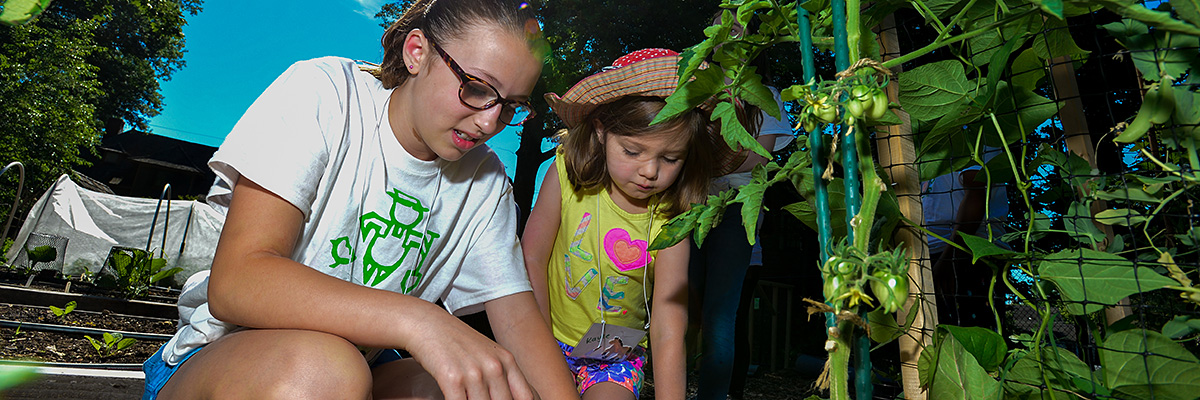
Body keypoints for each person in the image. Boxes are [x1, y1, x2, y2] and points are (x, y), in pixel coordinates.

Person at [141, 0, 580, 399]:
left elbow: (519, 322)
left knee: (479, 386)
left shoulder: (486, 181)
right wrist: (420, 320)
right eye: (477, 88)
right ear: (417, 52)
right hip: (225, 361)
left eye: (509, 106)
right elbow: (237, 282)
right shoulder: (324, 94)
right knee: (324, 371)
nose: (488, 122)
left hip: (364, 372)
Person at [521, 48, 720, 400]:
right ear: (601, 132)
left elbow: (668, 323)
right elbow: (531, 257)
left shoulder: (671, 220)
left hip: (616, 355)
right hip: (543, 336)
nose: (650, 171)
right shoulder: (566, 174)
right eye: (632, 151)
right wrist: (540, 347)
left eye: (670, 158)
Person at [688, 88, 793, 400]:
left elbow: (760, 156)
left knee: (720, 316)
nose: (727, 37)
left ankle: (714, 395)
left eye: (736, 33)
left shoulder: (765, 94)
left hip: (737, 208)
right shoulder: (700, 85)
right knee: (682, 310)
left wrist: (707, 162)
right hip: (692, 207)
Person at [922, 146, 1010, 328]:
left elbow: (976, 194)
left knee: (966, 337)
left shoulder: (973, 135)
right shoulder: (930, 146)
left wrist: (951, 259)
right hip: (934, 254)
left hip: (968, 253)